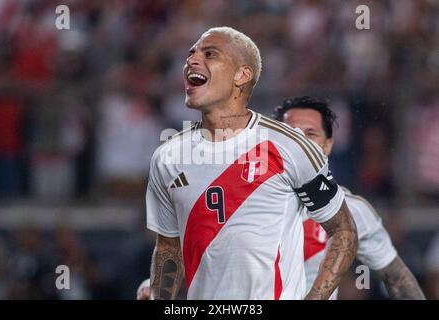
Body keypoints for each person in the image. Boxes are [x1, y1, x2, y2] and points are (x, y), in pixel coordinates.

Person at [146, 26, 357, 300]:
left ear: (241, 75)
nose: (192, 61)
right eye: (191, 53)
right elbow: (168, 247)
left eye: (209, 54)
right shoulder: (167, 157)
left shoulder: (290, 146)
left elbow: (343, 230)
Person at [274, 96, 425, 300]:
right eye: (290, 135)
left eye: (310, 134)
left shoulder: (352, 210)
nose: (300, 144)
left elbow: (397, 279)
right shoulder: (237, 199)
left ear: (327, 146)